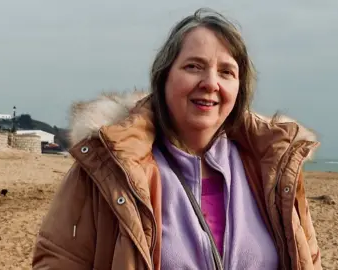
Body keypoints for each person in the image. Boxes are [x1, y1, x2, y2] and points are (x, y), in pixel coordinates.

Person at [32, 8, 321, 270]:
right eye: (193, 66)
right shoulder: (108, 165)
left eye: (226, 72)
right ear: (164, 77)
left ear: (239, 88)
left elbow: (309, 259)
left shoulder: (273, 167)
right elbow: (58, 259)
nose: (210, 83)